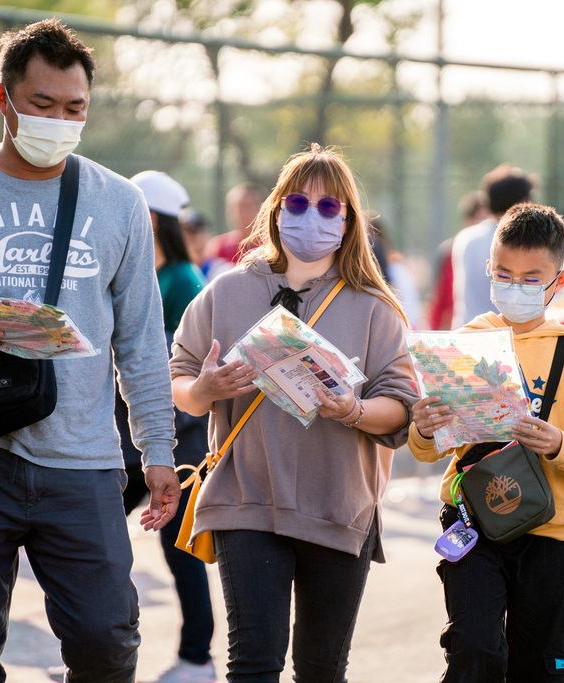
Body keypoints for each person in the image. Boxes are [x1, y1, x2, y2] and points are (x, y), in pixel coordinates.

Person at [0, 19, 180, 682]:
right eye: (42, 104)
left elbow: (140, 342)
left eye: (75, 108)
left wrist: (157, 450)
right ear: (4, 98)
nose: (60, 121)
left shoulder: (120, 202)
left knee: (107, 643)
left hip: (84, 462)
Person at [169, 143, 419, 682]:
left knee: (321, 670)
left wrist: (353, 409)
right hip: (245, 501)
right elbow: (179, 380)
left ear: (348, 221)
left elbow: (401, 408)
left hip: (339, 508)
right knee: (252, 665)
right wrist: (204, 388)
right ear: (277, 209)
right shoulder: (226, 291)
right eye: (299, 203)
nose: (312, 217)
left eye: (329, 207)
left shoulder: (374, 307)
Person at [409, 203, 564, 683]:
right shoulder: (461, 346)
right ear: (489, 269)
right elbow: (426, 449)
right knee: (473, 648)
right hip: (472, 521)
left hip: (551, 533)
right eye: (504, 275)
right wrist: (423, 427)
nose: (515, 286)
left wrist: (558, 444)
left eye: (530, 279)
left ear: (559, 282)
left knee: (542, 668)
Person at [128, 171, 215, 683]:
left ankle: (197, 659)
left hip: (180, 438)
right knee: (98, 541)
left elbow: (191, 367)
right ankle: (96, 655)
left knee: (180, 548)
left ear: (150, 219)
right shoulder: (148, 274)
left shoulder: (183, 282)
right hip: (137, 435)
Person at [450, 165, 534, 328]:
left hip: (466, 331)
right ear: (524, 201)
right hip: (504, 336)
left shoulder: (465, 237)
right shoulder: (520, 241)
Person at [428, 190, 490, 330]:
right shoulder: (451, 251)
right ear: (468, 220)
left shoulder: (499, 253)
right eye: (479, 221)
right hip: (462, 328)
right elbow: (440, 298)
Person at [204, 182, 264, 269]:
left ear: (261, 209)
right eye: (237, 207)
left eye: (248, 206)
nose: (243, 212)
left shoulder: (272, 245)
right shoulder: (218, 247)